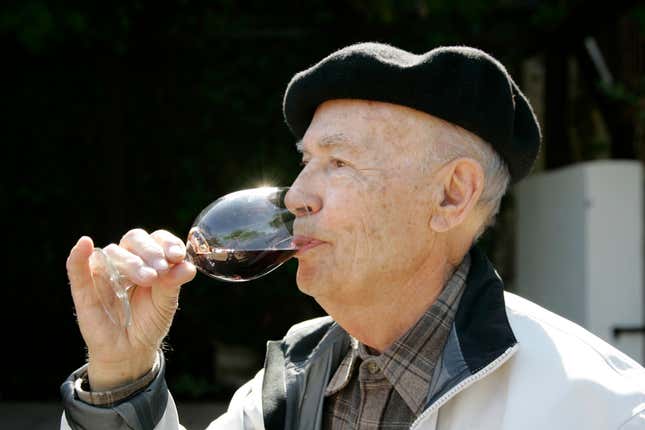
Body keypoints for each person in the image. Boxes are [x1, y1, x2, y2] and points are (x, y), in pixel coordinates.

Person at [61, 43, 645, 430]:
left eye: (337, 162)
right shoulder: (281, 386)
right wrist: (123, 373)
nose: (294, 197)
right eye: (305, 161)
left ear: (452, 196)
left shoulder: (604, 410)